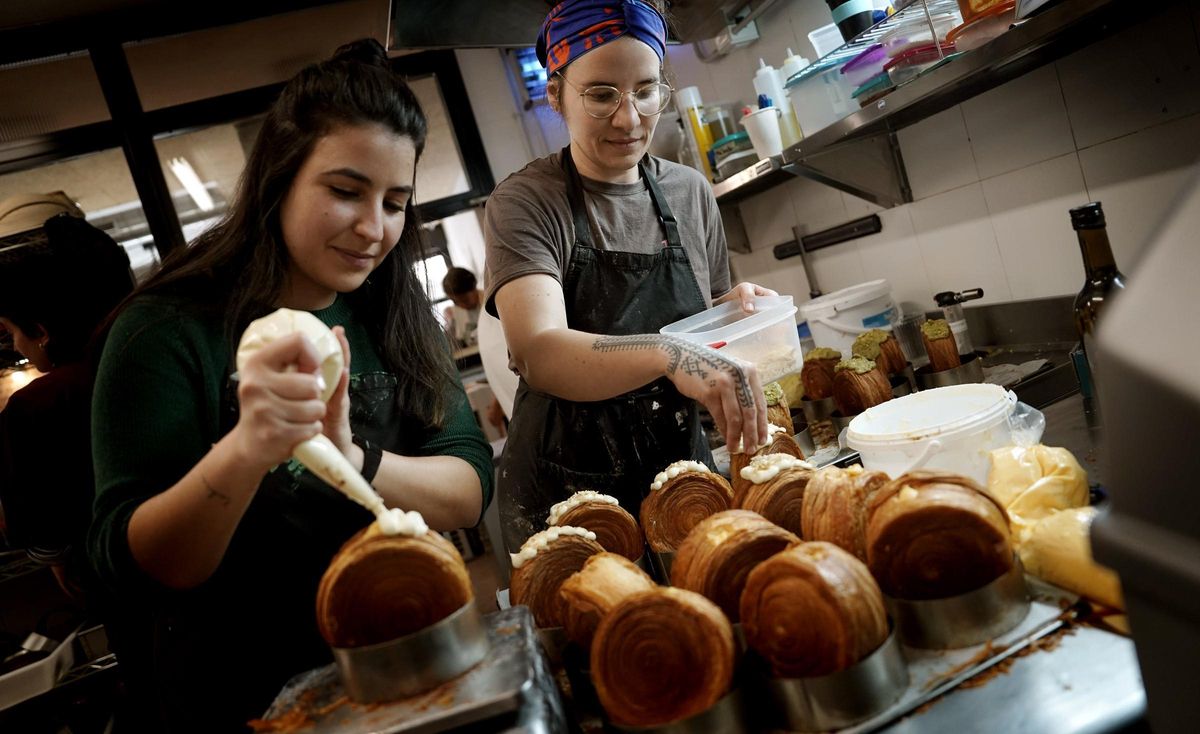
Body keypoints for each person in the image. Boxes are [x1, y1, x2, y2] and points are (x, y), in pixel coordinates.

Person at [87, 39, 493, 732]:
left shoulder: (390, 314)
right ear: (279, 179)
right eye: (344, 191)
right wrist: (248, 448)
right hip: (244, 698)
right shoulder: (168, 330)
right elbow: (141, 561)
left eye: (395, 202)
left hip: (406, 666)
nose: (374, 228)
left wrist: (349, 454)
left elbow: (467, 487)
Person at [484, 0, 775, 551]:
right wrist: (671, 354)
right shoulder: (526, 200)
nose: (629, 117)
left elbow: (706, 324)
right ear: (556, 95)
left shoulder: (689, 191)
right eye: (600, 95)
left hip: (682, 475)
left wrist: (734, 311)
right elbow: (538, 353)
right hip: (570, 498)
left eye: (646, 90)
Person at [0, 207, 135, 602]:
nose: (16, 347)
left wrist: (56, 558)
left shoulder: (35, 404)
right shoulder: (148, 358)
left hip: (115, 581)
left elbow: (41, 535)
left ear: (41, 331)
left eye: (10, 333)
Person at [441, 266, 483, 348]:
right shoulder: (454, 313)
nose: (461, 305)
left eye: (465, 300)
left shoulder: (489, 302)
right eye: (455, 302)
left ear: (474, 287)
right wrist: (449, 324)